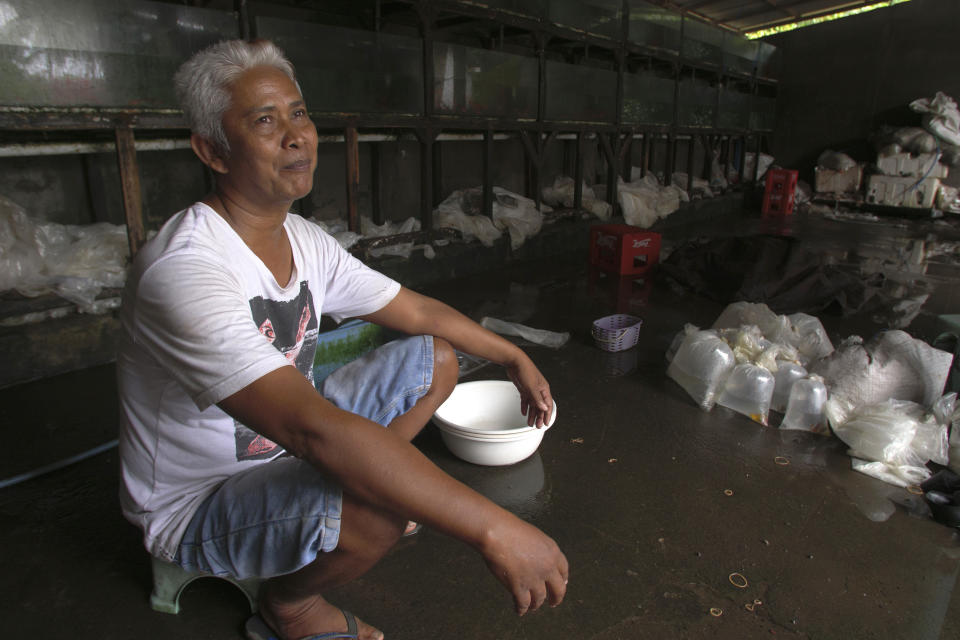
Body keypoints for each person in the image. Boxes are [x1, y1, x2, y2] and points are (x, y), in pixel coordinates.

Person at [117, 39, 567, 640]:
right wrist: (492, 526)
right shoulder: (186, 269)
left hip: (291, 441)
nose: (296, 135)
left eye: (299, 113)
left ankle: (353, 507)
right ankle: (291, 606)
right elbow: (312, 429)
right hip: (202, 499)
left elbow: (413, 308)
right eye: (265, 121)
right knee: (379, 506)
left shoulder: (302, 236)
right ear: (213, 151)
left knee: (434, 359)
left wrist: (512, 354)